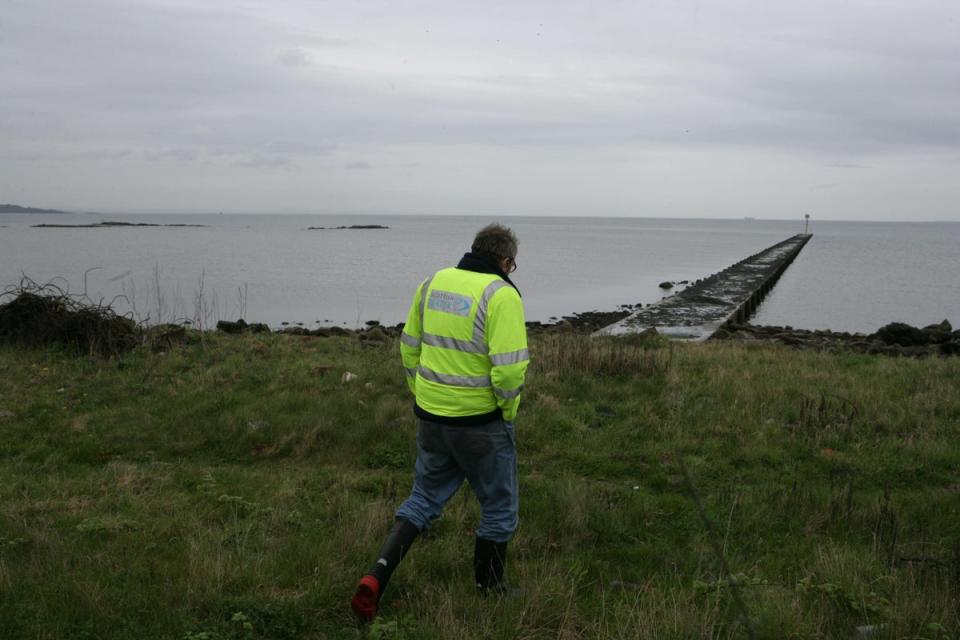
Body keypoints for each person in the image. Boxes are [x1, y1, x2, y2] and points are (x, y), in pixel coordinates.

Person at [351, 223, 530, 621]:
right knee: (499, 506)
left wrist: (422, 393)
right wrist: (507, 412)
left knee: (422, 499)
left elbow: (409, 346)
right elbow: (510, 372)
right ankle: (491, 589)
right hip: (481, 422)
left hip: (431, 417)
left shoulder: (432, 283)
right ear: (504, 260)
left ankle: (376, 576)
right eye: (512, 265)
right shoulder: (501, 295)